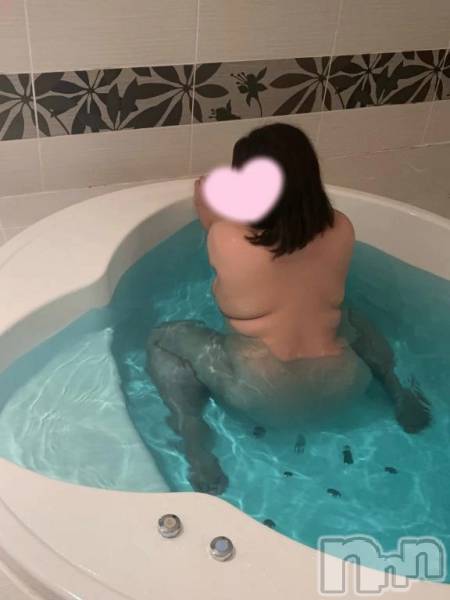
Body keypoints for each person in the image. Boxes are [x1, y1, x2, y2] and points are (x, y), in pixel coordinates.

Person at [146, 123, 430, 495]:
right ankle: (396, 389)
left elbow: (222, 226)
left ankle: (194, 439)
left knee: (162, 338)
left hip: (262, 393)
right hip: (345, 384)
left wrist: (207, 203)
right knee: (349, 315)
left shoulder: (226, 236)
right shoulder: (342, 228)